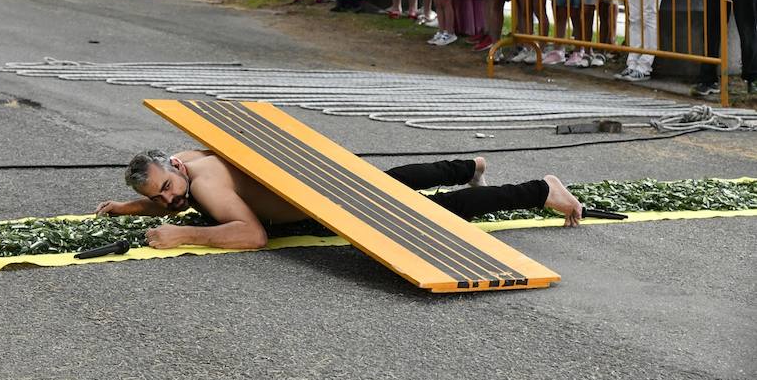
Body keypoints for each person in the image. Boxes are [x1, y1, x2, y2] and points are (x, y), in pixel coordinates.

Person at [95, 150, 585, 250]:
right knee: (391, 177)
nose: (167, 202)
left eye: (165, 189)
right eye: (156, 199)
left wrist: (184, 234)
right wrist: (128, 208)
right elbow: (167, 199)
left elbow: (252, 234)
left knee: (437, 214)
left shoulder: (203, 187)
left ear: (176, 169)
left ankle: (542, 191)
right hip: (319, 178)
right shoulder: (183, 162)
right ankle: (470, 165)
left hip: (330, 200)